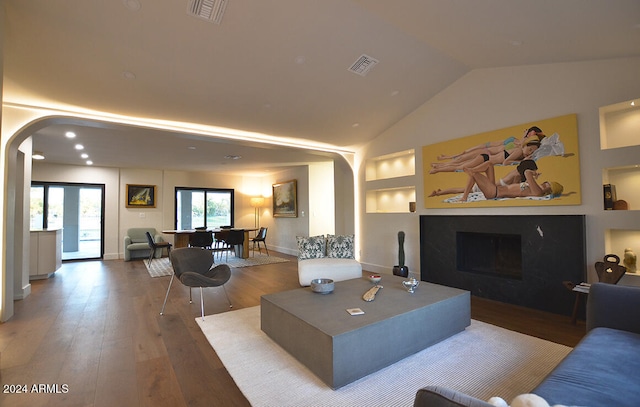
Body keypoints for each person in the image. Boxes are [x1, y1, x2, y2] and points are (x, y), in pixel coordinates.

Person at [430, 138, 541, 174]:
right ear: (525, 145)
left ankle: (439, 167)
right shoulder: (519, 151)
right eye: (529, 149)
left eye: (532, 152)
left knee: (460, 165)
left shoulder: (520, 153)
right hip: (485, 158)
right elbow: (505, 162)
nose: (529, 153)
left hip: (485, 159)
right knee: (459, 166)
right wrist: (522, 162)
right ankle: (438, 169)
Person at [435, 126, 544, 162]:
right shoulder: (517, 140)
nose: (529, 135)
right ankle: (447, 157)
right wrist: (524, 136)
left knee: (466, 157)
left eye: (531, 134)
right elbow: (520, 143)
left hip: (491, 151)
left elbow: (521, 149)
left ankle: (447, 159)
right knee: (466, 152)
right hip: (488, 145)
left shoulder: (523, 147)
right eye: (529, 133)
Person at [461, 164, 563, 202]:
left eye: (547, 185)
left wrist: (533, 173)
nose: (545, 183)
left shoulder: (538, 192)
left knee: (474, 174)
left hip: (494, 192)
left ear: (549, 190)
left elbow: (526, 172)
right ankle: (472, 170)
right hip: (495, 188)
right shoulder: (534, 188)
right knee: (489, 165)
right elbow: (524, 184)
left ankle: (464, 197)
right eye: (547, 182)